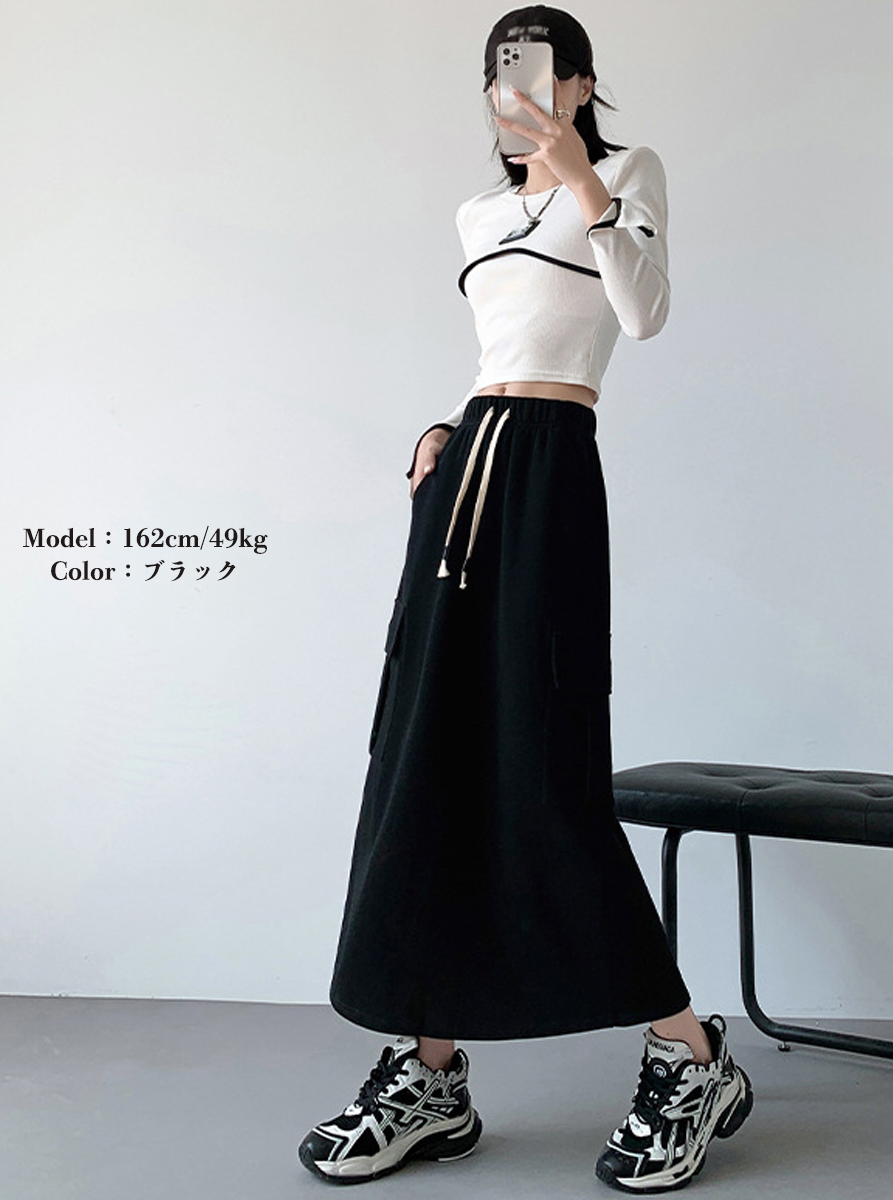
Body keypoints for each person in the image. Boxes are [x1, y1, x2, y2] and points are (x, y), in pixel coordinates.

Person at [298, 5, 753, 1191]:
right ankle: (430, 1069)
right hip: (466, 479)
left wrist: (578, 178)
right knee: (423, 761)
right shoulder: (476, 213)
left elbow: (641, 315)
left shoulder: (624, 173)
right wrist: (443, 432)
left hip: (553, 471)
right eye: (499, 79)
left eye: (538, 74)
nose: (516, 96)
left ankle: (690, 1052)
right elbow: (502, 351)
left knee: (541, 767)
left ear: (579, 83)